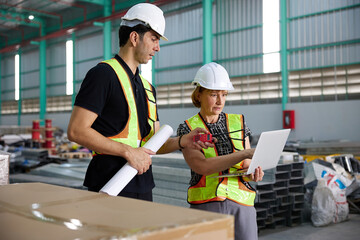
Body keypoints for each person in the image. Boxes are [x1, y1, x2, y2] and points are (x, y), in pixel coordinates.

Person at [67, 3, 212, 202]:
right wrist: (128, 152)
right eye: (154, 39)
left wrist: (182, 141)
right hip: (109, 184)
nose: (158, 47)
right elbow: (76, 130)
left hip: (142, 183)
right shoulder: (103, 75)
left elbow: (152, 145)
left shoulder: (147, 88)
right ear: (134, 37)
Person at [177, 62, 264, 240]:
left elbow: (246, 167)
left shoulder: (238, 122)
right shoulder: (189, 128)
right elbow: (202, 166)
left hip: (242, 204)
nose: (220, 101)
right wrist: (245, 154)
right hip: (207, 205)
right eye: (213, 94)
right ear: (199, 94)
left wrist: (252, 174)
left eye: (224, 94)